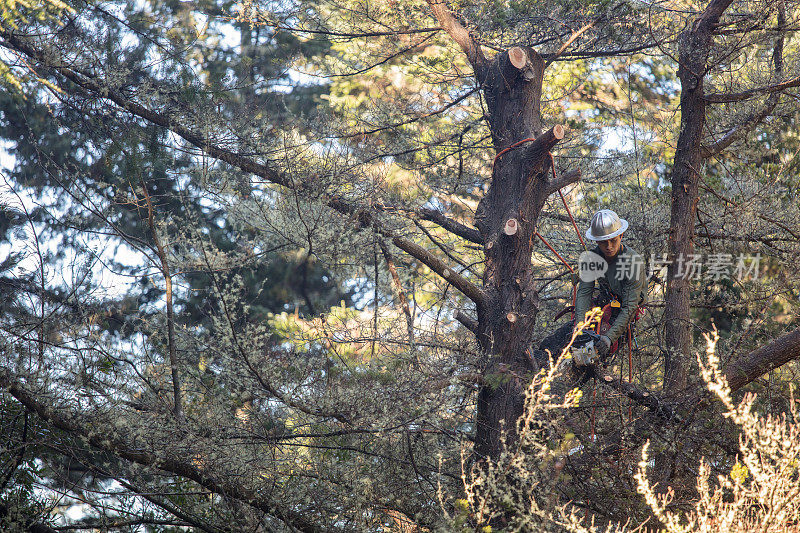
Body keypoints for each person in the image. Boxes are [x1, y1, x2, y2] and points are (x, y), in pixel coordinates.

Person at [573, 209, 647, 357]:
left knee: (599, 350)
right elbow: (584, 292)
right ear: (596, 241)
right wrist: (579, 327)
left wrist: (609, 339)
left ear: (621, 235)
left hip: (627, 309)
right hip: (606, 301)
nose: (608, 247)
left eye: (613, 240)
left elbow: (630, 307)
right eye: (602, 243)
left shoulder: (633, 262)